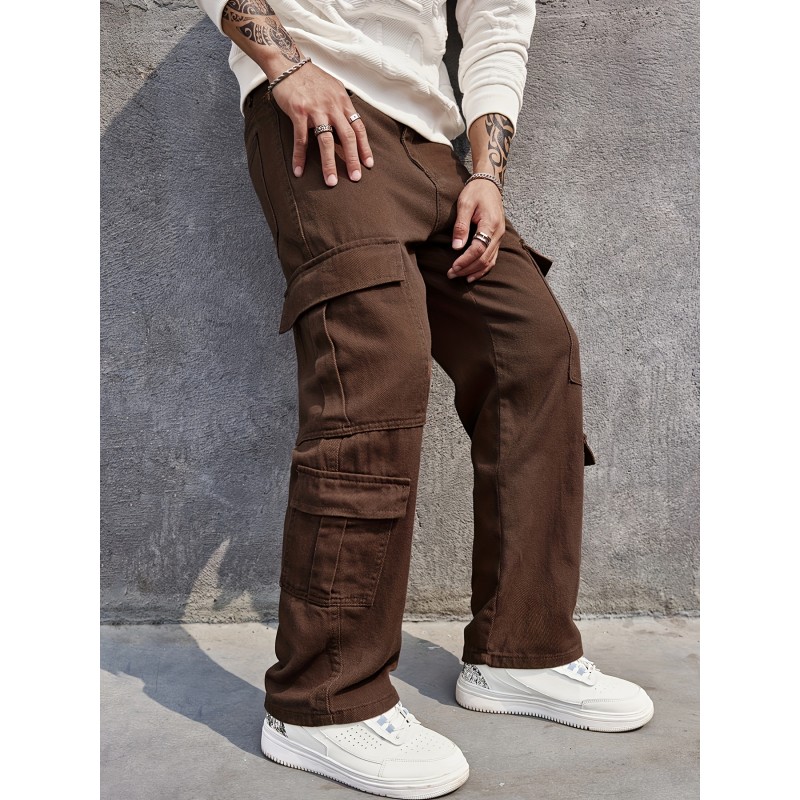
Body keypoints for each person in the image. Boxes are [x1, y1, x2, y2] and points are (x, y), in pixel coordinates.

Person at [195, 1, 654, 796]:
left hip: (435, 149)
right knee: (375, 370)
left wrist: (485, 173)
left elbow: (498, 23)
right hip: (320, 117)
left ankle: (520, 652)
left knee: (533, 350)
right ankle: (321, 702)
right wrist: (284, 66)